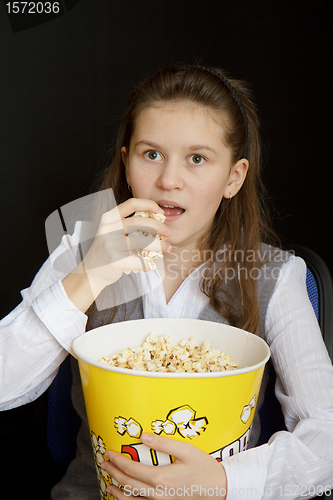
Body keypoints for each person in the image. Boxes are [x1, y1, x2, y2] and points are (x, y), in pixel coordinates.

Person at [1, 65, 332, 500]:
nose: (168, 180)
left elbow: (326, 438)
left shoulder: (277, 276)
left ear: (233, 178)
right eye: (151, 154)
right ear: (126, 163)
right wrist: (90, 274)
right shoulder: (83, 249)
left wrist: (224, 482)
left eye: (197, 159)